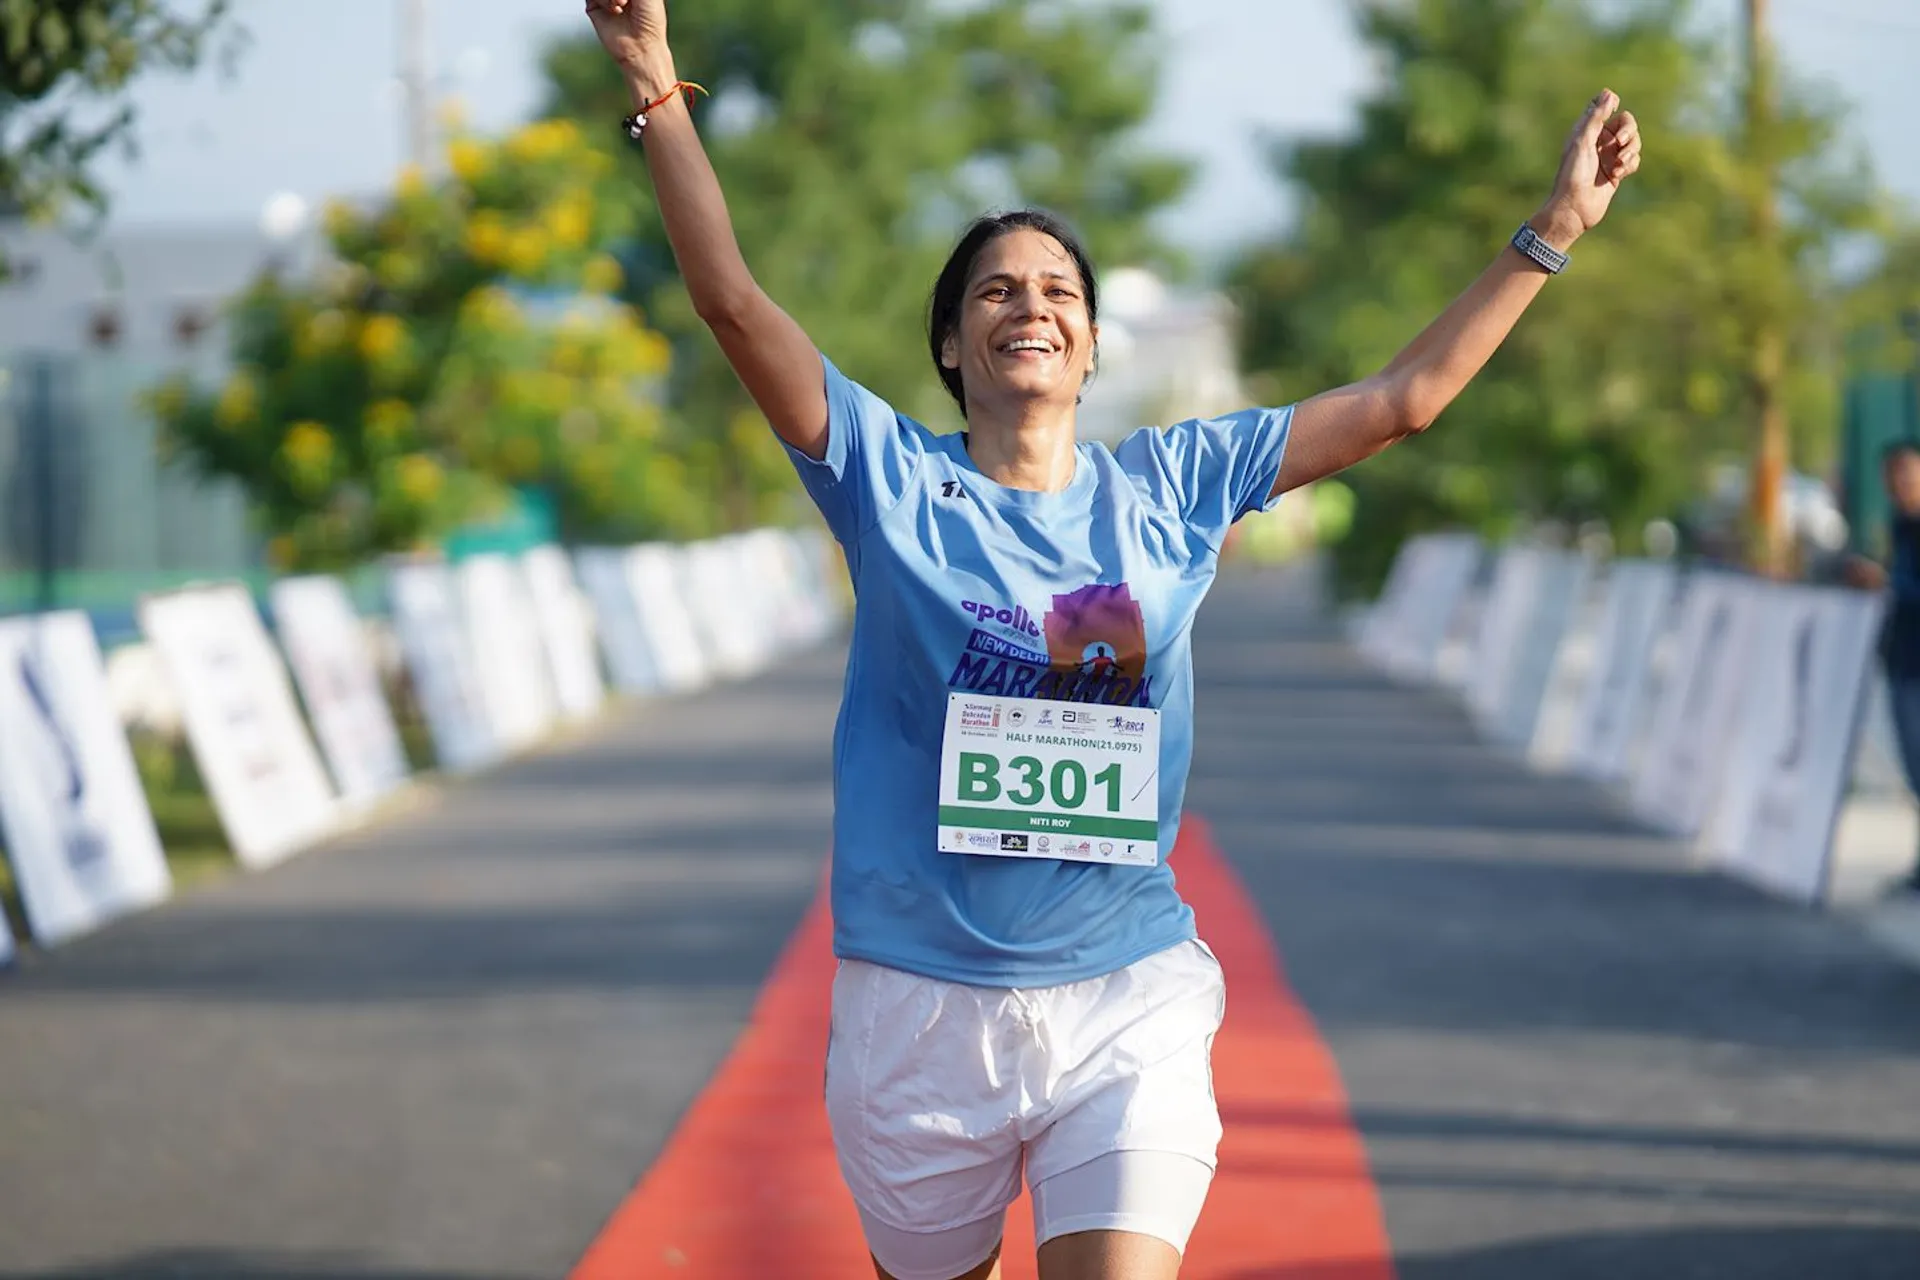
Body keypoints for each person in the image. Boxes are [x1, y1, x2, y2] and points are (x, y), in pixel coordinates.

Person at [583, 3, 1642, 1276]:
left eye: (1057, 290)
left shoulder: (1174, 484)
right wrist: (653, 78)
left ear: (1087, 346)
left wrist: (1556, 230)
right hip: (917, 1014)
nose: (1029, 304)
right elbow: (734, 303)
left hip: (1123, 997)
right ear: (951, 346)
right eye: (995, 290)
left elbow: (1402, 402)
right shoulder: (885, 476)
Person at [1846, 441, 1920, 893]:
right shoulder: (1899, 525)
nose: (1903, 486)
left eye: (1910, 476)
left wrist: (1888, 582)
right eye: (1895, 477)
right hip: (1902, 660)